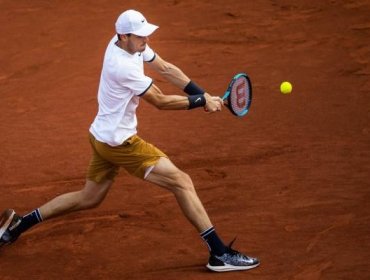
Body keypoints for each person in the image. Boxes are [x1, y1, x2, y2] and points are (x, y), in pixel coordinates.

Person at [0, 9, 259, 272]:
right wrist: (202, 101)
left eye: (147, 34)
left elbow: (166, 68)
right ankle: (218, 253)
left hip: (101, 137)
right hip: (121, 143)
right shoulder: (122, 66)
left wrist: (203, 95)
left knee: (88, 198)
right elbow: (160, 100)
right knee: (182, 182)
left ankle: (20, 224)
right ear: (123, 36)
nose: (146, 40)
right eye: (140, 36)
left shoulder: (127, 45)